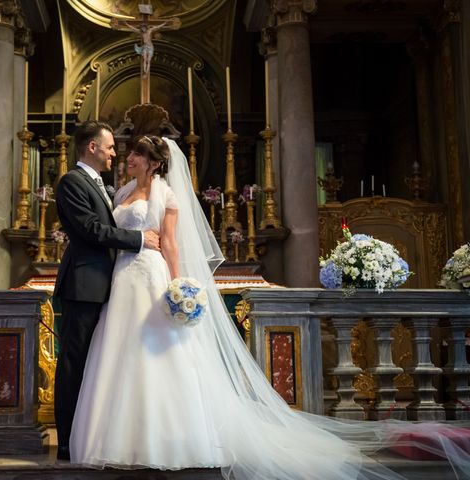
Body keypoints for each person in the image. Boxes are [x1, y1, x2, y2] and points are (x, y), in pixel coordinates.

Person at [69, 135, 470, 479]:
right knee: (118, 354)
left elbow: (171, 243)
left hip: (153, 277)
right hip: (122, 279)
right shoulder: (119, 192)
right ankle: (119, 436)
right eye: (126, 154)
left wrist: (180, 285)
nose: (128, 159)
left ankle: (168, 439)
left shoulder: (166, 194)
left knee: (159, 354)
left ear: (154, 162)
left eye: (136, 154)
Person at [53, 121, 160, 461]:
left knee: (96, 364)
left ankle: (91, 435)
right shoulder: (72, 182)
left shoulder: (101, 183)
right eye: (111, 146)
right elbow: (90, 229)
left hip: (105, 284)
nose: (116, 152)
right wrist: (139, 240)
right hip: (82, 286)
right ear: (92, 147)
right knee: (74, 363)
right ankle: (68, 442)